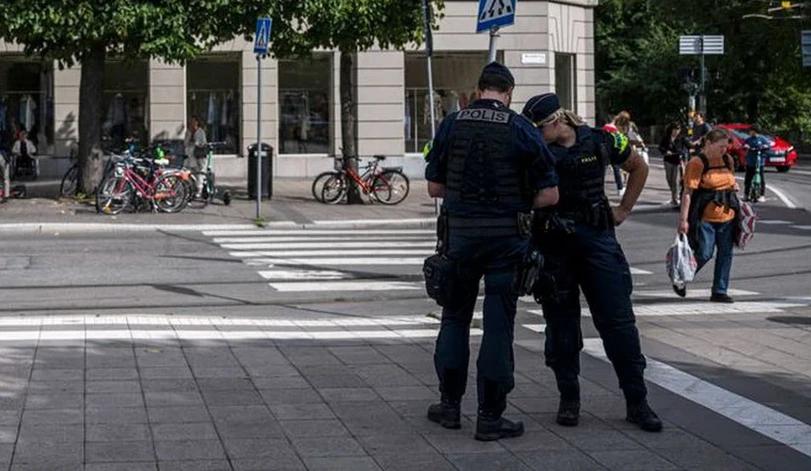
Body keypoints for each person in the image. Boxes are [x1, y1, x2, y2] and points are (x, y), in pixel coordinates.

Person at [424, 62, 560, 442]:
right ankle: (490, 416)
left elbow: (435, 188)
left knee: (454, 317)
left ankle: (449, 407)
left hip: (460, 240)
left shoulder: (453, 123)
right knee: (498, 325)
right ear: (510, 93)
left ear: (477, 88)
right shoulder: (521, 129)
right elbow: (550, 194)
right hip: (506, 242)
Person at [522, 93, 662, 433]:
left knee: (618, 324)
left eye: (539, 129)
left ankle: (637, 401)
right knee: (561, 327)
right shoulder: (534, 149)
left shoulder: (601, 139)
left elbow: (639, 167)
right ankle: (569, 399)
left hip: (597, 240)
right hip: (554, 246)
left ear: (557, 122)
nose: (535, 136)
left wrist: (624, 209)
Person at [676, 129, 739, 303]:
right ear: (709, 144)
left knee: (726, 253)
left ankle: (719, 290)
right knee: (704, 253)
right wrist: (683, 220)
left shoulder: (728, 160)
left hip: (728, 215)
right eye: (720, 146)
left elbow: (730, 181)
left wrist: (734, 187)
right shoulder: (697, 163)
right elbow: (687, 193)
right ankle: (682, 277)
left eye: (726, 146)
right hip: (705, 218)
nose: (724, 150)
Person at [660, 122, 687, 205]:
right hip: (668, 160)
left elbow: (687, 148)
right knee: (669, 179)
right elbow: (660, 147)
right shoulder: (666, 138)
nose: (676, 131)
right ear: (671, 130)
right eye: (675, 129)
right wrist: (665, 151)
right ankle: (674, 193)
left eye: (678, 130)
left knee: (675, 180)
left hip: (677, 161)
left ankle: (674, 198)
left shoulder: (681, 139)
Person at [743, 128, 769, 202]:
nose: (750, 132)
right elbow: (744, 146)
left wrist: (765, 147)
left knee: (761, 178)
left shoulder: (762, 139)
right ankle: (746, 194)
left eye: (751, 131)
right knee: (748, 179)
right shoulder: (749, 140)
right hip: (750, 162)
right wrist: (746, 146)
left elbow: (768, 146)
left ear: (755, 131)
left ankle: (762, 195)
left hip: (759, 162)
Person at [184, 116, 207, 197]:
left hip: (198, 155)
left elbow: (204, 143)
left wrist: (196, 143)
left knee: (198, 173)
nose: (192, 123)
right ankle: (190, 189)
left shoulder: (201, 132)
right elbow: (185, 143)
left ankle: (199, 189)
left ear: (197, 122)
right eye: (191, 121)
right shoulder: (188, 131)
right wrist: (189, 140)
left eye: (194, 121)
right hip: (189, 155)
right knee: (188, 172)